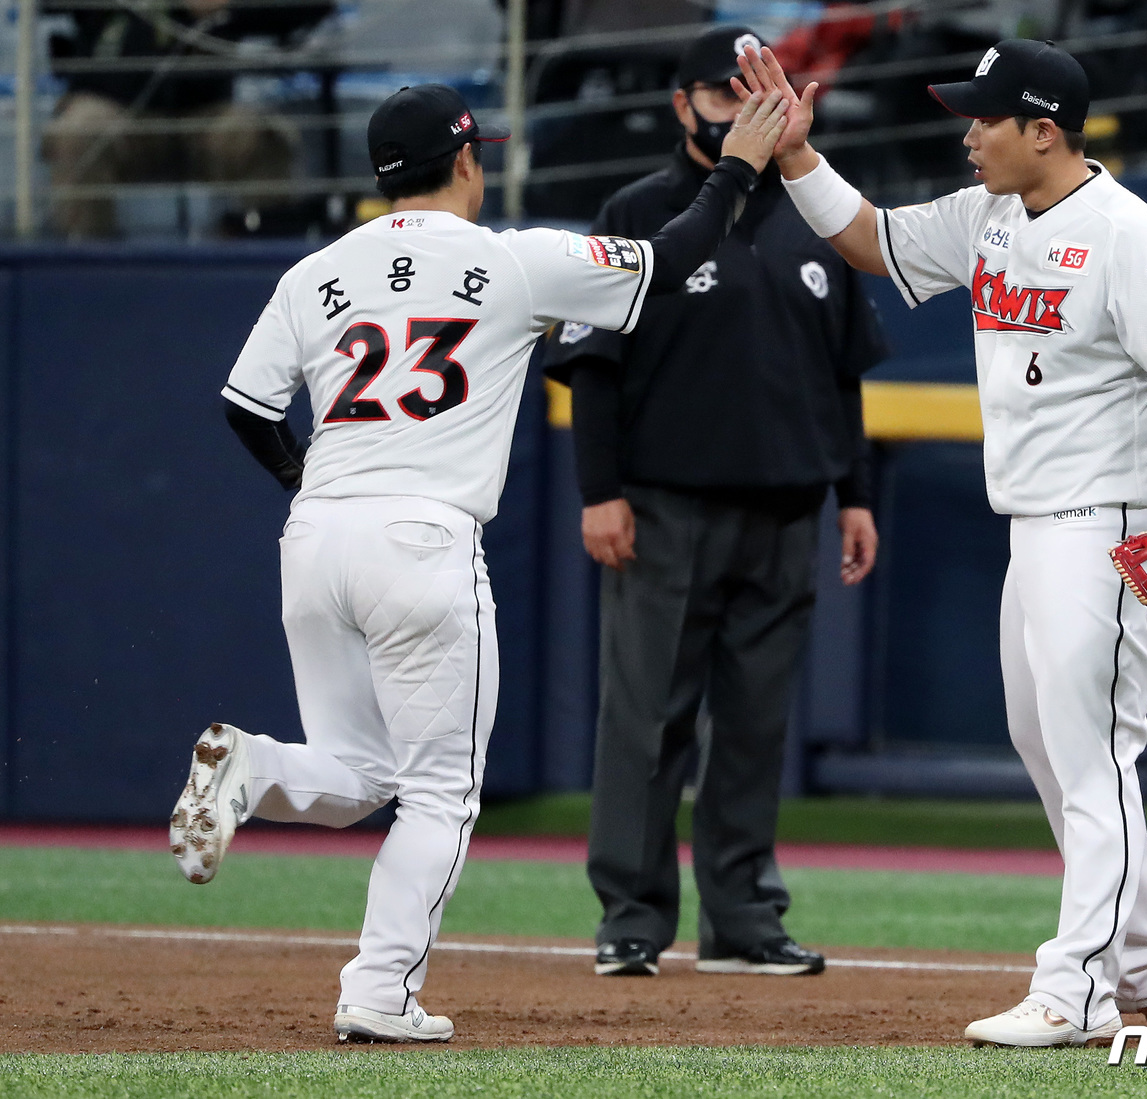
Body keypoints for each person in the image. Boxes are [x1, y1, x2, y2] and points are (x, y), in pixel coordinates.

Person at [167, 80, 791, 1043]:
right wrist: (743, 164)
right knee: (441, 795)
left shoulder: (316, 273)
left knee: (360, 771)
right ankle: (379, 989)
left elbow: (247, 407)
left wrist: (307, 484)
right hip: (423, 537)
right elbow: (672, 258)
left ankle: (247, 768)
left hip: (320, 535)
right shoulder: (515, 262)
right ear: (467, 161)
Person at [736, 40, 1147, 1045]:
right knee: (1047, 742)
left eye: (984, 118)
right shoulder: (990, 215)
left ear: (1041, 130)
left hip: (1108, 521)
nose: (967, 135)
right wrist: (795, 155)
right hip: (1035, 522)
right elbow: (872, 239)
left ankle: (1078, 987)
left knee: (1091, 752)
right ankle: (1141, 958)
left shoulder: (1130, 235)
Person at [543, 25, 885, 981]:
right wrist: (598, 491)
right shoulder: (639, 209)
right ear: (681, 105)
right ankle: (632, 916)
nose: (741, 111)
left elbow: (844, 375)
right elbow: (592, 370)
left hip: (787, 507)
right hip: (664, 508)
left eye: (755, 93)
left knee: (754, 723)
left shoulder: (818, 215)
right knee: (647, 716)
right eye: (723, 94)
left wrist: (853, 495)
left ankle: (742, 917)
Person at [42, 0, 332, 238]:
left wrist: (230, 4)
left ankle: (273, 279)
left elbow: (314, 6)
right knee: (77, 132)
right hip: (113, 108)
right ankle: (88, 271)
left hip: (205, 113)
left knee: (263, 136)